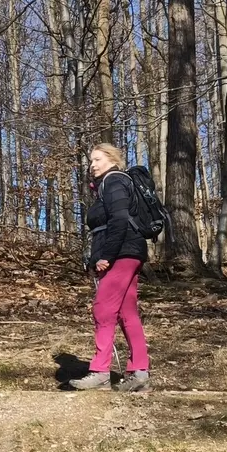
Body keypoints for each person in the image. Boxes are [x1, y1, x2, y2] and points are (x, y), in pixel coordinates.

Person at [70, 143, 151, 392]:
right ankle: (139, 372)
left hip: (121, 253)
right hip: (128, 251)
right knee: (127, 313)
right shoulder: (112, 184)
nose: (92, 165)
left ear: (112, 160)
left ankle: (100, 372)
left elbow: (119, 220)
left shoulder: (114, 181)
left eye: (97, 159)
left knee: (103, 310)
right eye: (90, 161)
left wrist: (106, 255)